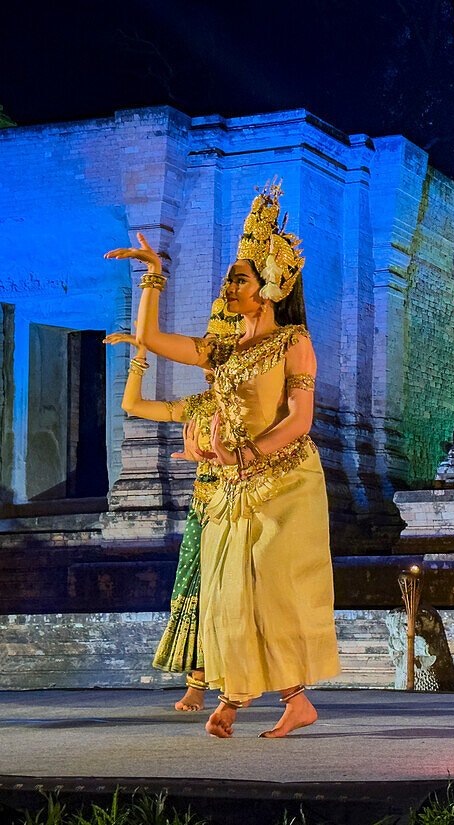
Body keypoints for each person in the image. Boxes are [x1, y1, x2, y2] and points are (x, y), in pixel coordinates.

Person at [106, 182, 341, 738]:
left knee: (275, 588)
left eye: (240, 277)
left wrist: (246, 453)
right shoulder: (223, 348)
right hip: (233, 483)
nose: (229, 284)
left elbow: (300, 421)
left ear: (271, 286)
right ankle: (260, 699)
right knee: (227, 592)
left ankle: (254, 700)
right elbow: (149, 338)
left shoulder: (294, 342)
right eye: (230, 276)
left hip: (286, 479)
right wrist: (153, 276)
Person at [103, 301, 241, 712]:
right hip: (205, 508)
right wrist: (140, 358)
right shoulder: (199, 406)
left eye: (220, 358)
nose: (211, 367)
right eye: (209, 359)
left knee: (240, 592)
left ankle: (246, 683)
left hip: (244, 505)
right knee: (196, 590)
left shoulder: (255, 405)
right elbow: (134, 406)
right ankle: (197, 684)